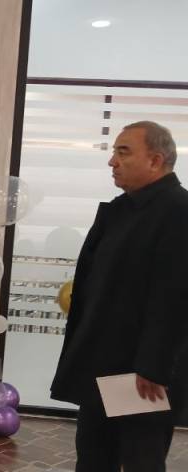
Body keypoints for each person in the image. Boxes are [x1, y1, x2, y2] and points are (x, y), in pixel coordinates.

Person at [51, 121, 188, 471]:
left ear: (155, 160)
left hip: (141, 375)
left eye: (123, 152)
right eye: (114, 152)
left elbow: (173, 296)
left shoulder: (178, 210)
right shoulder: (121, 210)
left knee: (140, 459)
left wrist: (153, 367)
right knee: (94, 456)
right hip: (102, 363)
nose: (112, 161)